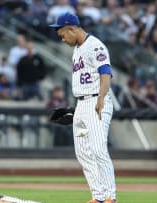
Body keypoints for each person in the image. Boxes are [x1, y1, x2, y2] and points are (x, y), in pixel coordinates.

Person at [49, 13, 117, 203]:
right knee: (83, 154)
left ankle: (111, 196)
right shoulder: (77, 49)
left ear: (72, 29)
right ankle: (98, 196)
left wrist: (101, 99)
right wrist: (78, 107)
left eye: (63, 34)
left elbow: (105, 73)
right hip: (82, 103)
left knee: (98, 150)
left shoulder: (94, 45)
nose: (62, 39)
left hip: (97, 102)